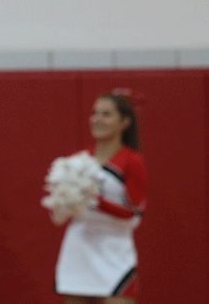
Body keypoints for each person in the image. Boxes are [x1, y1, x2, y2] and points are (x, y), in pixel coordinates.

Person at [54, 92, 148, 304]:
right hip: (79, 243)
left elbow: (133, 214)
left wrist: (94, 200)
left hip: (114, 248)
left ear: (124, 122)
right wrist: (62, 202)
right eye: (94, 113)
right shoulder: (77, 161)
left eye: (106, 114)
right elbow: (59, 212)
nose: (97, 119)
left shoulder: (132, 161)